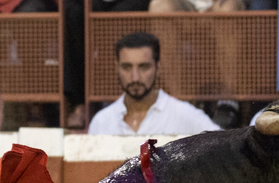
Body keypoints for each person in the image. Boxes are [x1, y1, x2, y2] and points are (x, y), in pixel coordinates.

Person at [87, 32, 220, 135]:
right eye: (127, 67)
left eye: (144, 67)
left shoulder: (184, 115)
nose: (135, 77)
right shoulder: (102, 122)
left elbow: (223, 148)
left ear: (158, 68)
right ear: (117, 68)